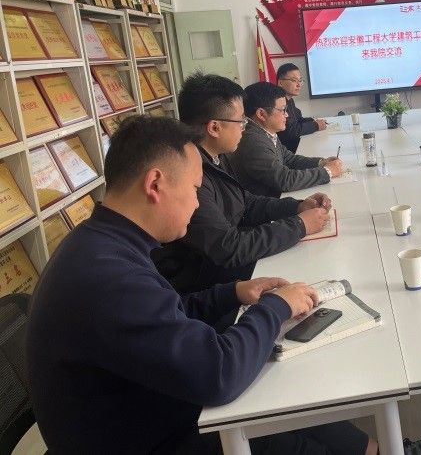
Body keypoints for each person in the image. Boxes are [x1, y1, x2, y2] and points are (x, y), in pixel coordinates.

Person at [26, 115, 375, 454]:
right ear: (155, 184)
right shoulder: (108, 277)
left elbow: (167, 312)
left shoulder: (103, 242)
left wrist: (233, 292)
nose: (197, 203)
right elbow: (219, 374)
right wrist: (278, 306)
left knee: (287, 388)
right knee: (282, 415)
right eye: (195, 189)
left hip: (151, 406)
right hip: (156, 436)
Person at [153, 73, 330, 294]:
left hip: (233, 266)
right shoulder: (189, 174)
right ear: (214, 127)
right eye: (241, 121)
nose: (245, 128)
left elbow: (245, 202)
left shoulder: (216, 156)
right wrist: (300, 226)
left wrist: (296, 206)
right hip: (211, 284)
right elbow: (228, 247)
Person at [228, 81, 343, 197]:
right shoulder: (252, 140)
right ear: (261, 114)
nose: (287, 115)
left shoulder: (264, 130)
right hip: (267, 202)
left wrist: (322, 163)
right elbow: (285, 180)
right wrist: (327, 172)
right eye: (282, 110)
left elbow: (289, 159)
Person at [277, 63, 326, 152]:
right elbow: (290, 131)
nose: (299, 85)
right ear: (281, 83)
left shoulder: (289, 100)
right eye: (294, 80)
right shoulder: (277, 102)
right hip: (288, 152)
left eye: (300, 80)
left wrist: (314, 121)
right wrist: (316, 125)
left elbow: (298, 120)